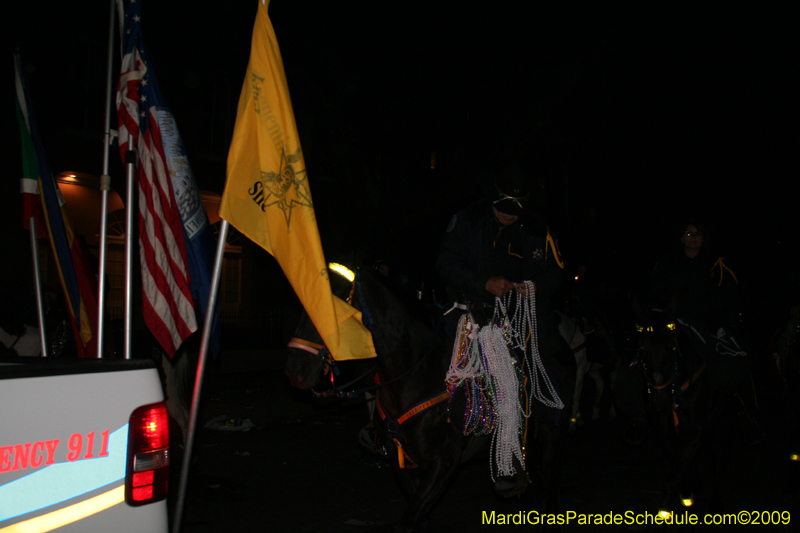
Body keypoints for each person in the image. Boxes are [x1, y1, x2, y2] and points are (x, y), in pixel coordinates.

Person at [436, 163, 574, 496]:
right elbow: (445, 263)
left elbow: (556, 272)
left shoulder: (539, 230)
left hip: (521, 319)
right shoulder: (467, 219)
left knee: (547, 364)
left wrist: (534, 287)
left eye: (516, 209)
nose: (508, 214)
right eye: (503, 207)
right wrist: (482, 282)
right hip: (469, 312)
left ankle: (528, 444)